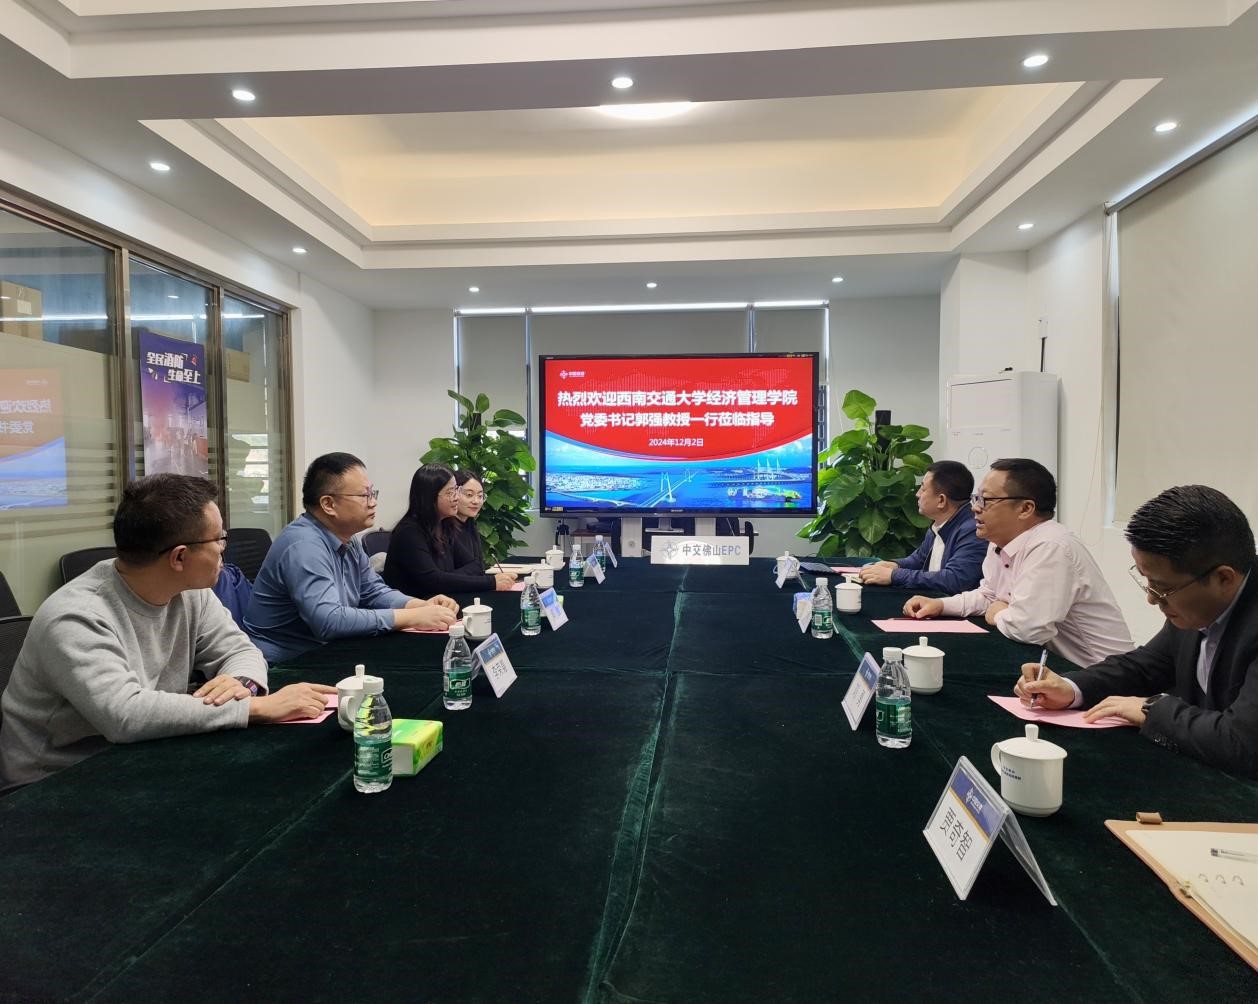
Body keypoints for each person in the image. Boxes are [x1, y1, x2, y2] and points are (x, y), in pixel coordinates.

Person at [0, 474, 335, 788]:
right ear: (179, 557)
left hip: (147, 751)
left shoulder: (191, 590)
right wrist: (257, 709)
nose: (224, 548)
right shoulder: (76, 617)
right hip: (57, 782)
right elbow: (125, 715)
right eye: (219, 538)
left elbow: (239, 650)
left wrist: (242, 684)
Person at [1017, 485, 1258, 776]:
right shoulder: (1197, 605)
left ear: (1223, 579)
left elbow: (1242, 743)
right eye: (1146, 581)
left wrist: (1153, 709)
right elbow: (1144, 667)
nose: (1152, 599)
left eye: (1163, 588)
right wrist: (1070, 688)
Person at [903, 458, 1132, 667]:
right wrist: (941, 605)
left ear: (1025, 508)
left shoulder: (1050, 546)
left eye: (986, 500)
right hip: (1055, 667)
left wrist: (997, 613)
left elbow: (1029, 629)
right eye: (976, 498)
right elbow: (989, 596)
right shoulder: (999, 540)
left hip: (1100, 674)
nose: (975, 507)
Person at [245, 452, 458, 664]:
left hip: (326, 651)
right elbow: (328, 621)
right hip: (284, 663)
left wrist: (419, 606)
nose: (373, 503)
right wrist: (411, 617)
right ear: (328, 504)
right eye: (365, 496)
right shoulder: (303, 545)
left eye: (373, 493)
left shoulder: (347, 538)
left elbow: (371, 591)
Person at [383, 464, 515, 598]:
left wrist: (446, 579)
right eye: (450, 492)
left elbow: (475, 566)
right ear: (429, 497)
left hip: (442, 600)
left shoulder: (445, 524)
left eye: (456, 490)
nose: (456, 497)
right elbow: (432, 581)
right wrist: (491, 582)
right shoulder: (408, 532)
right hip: (413, 606)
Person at [857, 460, 986, 593]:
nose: (917, 494)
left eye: (923, 489)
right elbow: (919, 560)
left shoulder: (972, 530)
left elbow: (955, 580)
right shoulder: (940, 523)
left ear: (941, 500)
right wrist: (894, 565)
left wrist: (894, 576)